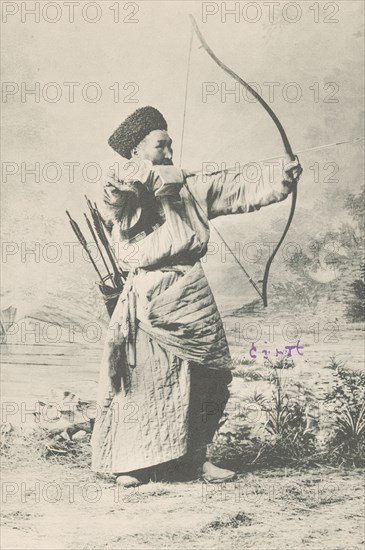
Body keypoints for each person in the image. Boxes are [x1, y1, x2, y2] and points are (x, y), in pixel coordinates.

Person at [91, 106, 302, 487]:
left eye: (170, 144)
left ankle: (197, 459)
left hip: (190, 289)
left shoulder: (191, 188)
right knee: (142, 378)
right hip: (148, 294)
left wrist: (282, 179)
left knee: (210, 375)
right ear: (138, 151)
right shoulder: (123, 193)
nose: (169, 151)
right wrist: (161, 174)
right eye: (160, 145)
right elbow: (117, 182)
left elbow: (240, 192)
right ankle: (130, 462)